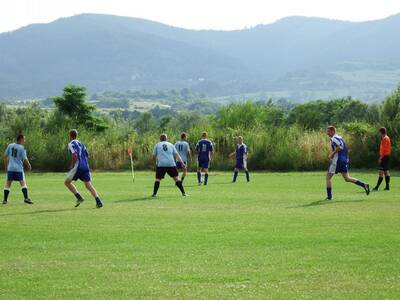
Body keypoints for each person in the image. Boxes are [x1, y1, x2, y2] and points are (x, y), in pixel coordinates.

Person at [326, 126, 370, 200]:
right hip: (343, 160)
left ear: (332, 131)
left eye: (328, 131)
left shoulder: (333, 139)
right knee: (347, 178)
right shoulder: (340, 137)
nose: (327, 133)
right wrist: (346, 158)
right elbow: (345, 148)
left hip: (337, 161)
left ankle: (329, 197)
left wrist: (332, 154)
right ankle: (364, 185)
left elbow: (340, 147)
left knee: (328, 177)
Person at [64, 129, 103, 208]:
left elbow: (74, 155)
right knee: (88, 184)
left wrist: (72, 165)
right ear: (76, 135)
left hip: (78, 166)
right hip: (85, 166)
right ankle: (98, 201)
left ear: (70, 136)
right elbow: (87, 155)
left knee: (67, 182)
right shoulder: (82, 144)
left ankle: (79, 197)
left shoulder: (71, 144)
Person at [3, 134, 33, 204]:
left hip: (10, 168)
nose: (25, 141)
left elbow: (5, 156)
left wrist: (6, 166)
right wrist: (29, 165)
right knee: (23, 183)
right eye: (24, 139)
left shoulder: (10, 145)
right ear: (21, 139)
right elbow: (25, 159)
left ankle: (5, 200)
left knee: (8, 183)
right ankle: (26, 198)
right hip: (18, 169)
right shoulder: (21, 148)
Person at [373, 127, 391, 191]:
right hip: (387, 156)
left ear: (381, 132)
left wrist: (380, 158)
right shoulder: (387, 138)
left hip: (384, 157)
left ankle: (377, 187)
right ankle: (387, 187)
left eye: (379, 132)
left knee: (381, 172)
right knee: (386, 172)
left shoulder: (384, 139)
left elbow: (384, 150)